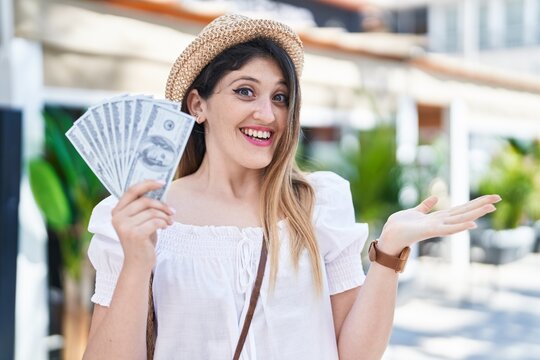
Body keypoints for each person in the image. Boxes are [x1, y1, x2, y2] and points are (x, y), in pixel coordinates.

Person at [82, 14, 500, 360]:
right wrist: (137, 260)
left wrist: (389, 251)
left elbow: (354, 355)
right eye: (246, 91)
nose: (267, 114)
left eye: (281, 98)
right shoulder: (138, 214)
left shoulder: (317, 204)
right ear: (197, 105)